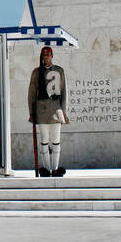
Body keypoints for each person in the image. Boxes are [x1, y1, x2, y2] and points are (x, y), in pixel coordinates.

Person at [27, 45, 69, 177]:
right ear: (42, 57)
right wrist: (31, 112)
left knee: (56, 140)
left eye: (48, 55)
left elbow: (64, 92)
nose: (46, 58)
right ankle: (46, 168)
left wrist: (64, 111)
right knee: (44, 140)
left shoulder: (59, 70)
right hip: (41, 110)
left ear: (52, 56)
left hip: (56, 110)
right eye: (44, 55)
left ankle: (55, 168)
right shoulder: (36, 72)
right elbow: (31, 94)